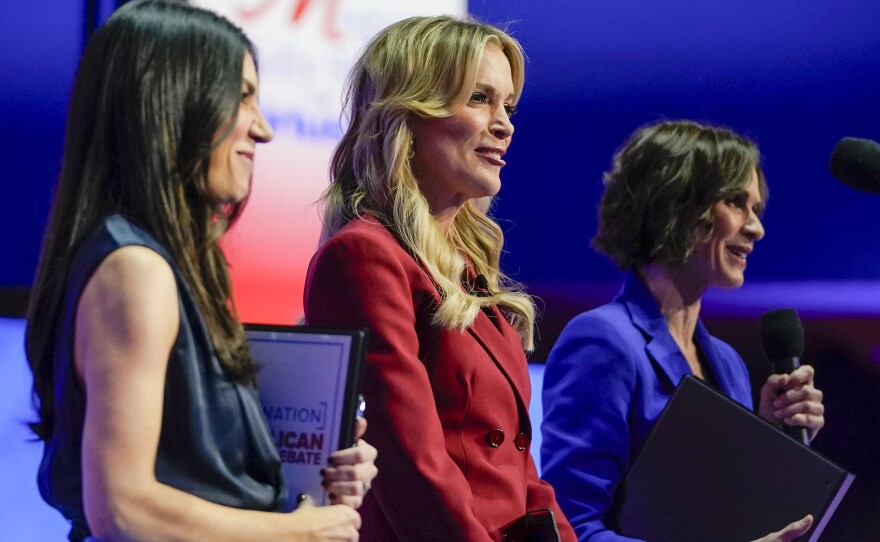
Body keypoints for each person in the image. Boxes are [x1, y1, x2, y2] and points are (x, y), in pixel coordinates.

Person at [25, 2, 376, 540]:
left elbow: (195, 476)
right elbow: (124, 509)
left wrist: (315, 469)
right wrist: (298, 533)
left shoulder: (164, 265)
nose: (263, 130)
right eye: (242, 98)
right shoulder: (134, 269)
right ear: (174, 102)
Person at [303, 15, 576, 542]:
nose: (505, 124)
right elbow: (413, 469)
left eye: (508, 105)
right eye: (480, 98)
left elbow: (523, 476)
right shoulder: (363, 258)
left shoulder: (468, 271)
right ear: (409, 111)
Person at [540, 120, 825, 542]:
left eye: (756, 209)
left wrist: (770, 439)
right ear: (675, 202)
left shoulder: (726, 362)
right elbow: (572, 528)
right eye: (735, 202)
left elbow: (718, 513)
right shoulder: (602, 340)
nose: (756, 227)